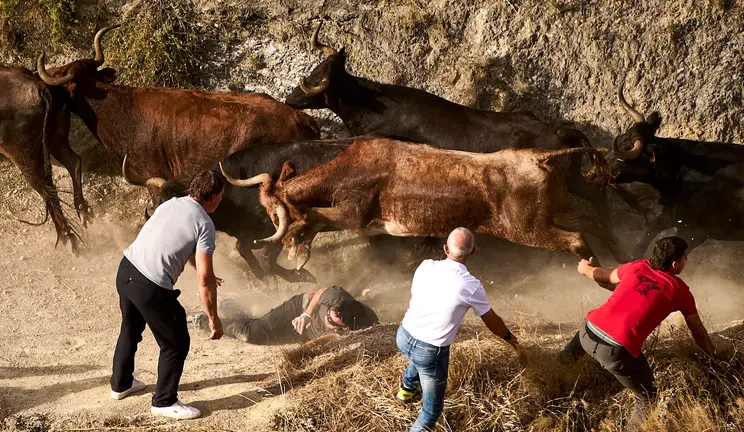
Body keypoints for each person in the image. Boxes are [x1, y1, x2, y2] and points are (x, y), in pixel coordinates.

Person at [562, 236, 715, 431]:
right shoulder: (679, 290)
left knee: (567, 358)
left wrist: (585, 269)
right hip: (615, 351)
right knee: (647, 397)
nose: (687, 260)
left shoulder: (637, 266)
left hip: (587, 332)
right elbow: (698, 332)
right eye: (686, 257)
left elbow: (604, 276)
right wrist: (714, 358)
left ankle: (552, 382)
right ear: (675, 264)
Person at [109, 170, 226, 420]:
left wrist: (204, 271)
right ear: (214, 197)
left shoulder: (172, 203)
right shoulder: (205, 224)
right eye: (221, 197)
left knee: (130, 328)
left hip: (127, 269)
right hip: (150, 285)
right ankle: (164, 401)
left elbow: (175, 244)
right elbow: (204, 280)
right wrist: (213, 318)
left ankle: (121, 384)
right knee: (175, 342)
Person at [396, 227, 519, 432]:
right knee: (431, 411)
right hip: (429, 350)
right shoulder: (471, 286)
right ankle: (410, 396)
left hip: (404, 335)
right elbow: (491, 320)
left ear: (445, 248)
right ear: (473, 251)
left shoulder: (425, 266)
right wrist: (508, 336)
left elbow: (416, 295)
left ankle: (406, 392)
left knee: (416, 359)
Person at [190, 286, 379, 345]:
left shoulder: (362, 325)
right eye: (329, 315)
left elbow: (331, 338)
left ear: (346, 326)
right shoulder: (339, 297)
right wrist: (306, 314)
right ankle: (203, 320)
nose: (328, 320)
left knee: (258, 336)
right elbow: (321, 293)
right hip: (298, 308)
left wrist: (306, 346)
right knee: (250, 333)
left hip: (304, 334)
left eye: (332, 322)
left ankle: (229, 304)